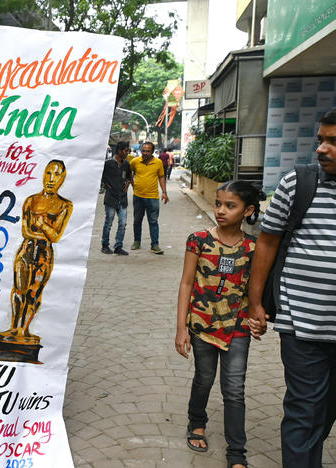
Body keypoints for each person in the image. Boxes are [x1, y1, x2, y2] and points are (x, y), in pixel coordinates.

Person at [247, 108, 336, 468]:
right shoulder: (298, 184)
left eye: (333, 142)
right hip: (302, 325)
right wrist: (256, 302)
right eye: (321, 140)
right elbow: (267, 242)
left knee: (323, 413)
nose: (321, 149)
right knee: (304, 411)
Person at [175, 181, 262, 468]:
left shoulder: (253, 246)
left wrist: (258, 318)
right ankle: (197, 422)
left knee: (234, 389)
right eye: (218, 204)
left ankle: (237, 452)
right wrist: (181, 327)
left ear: (248, 210)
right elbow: (187, 283)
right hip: (202, 326)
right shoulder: (198, 239)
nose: (221, 210)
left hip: (237, 329)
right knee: (204, 378)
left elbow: (255, 290)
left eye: (230, 205)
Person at [0, 160, 73, 343]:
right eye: (48, 173)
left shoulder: (64, 205)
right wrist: (45, 229)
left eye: (56, 175)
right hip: (26, 248)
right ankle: (14, 327)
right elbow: (26, 230)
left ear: (63, 178)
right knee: (18, 290)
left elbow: (55, 236)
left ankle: (24, 329)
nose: (51, 179)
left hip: (44, 253)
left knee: (34, 292)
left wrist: (41, 224)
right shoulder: (31, 200)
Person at [130, 141, 168, 254]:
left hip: (152, 197)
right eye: (143, 151)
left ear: (152, 152)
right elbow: (129, 173)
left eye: (148, 151)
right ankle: (137, 241)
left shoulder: (158, 163)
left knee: (153, 221)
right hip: (138, 196)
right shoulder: (135, 161)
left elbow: (161, 177)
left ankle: (155, 245)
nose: (145, 153)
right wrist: (132, 184)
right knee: (137, 220)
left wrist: (164, 192)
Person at [101, 141, 132, 255]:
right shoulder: (108, 164)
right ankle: (105, 245)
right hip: (111, 197)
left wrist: (128, 183)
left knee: (123, 223)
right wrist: (104, 184)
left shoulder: (126, 164)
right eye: (126, 151)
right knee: (109, 222)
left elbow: (129, 176)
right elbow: (100, 176)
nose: (127, 153)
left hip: (122, 198)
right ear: (119, 151)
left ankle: (118, 246)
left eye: (128, 151)